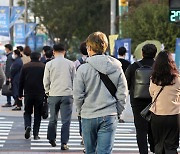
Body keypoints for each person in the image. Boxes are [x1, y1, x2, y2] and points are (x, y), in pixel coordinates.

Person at [73, 32, 128, 154]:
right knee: (105, 151)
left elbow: (77, 95)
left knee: (90, 151)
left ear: (90, 48)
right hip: (109, 114)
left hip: (88, 115)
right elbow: (123, 92)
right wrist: (117, 111)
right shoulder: (116, 67)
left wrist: (81, 111)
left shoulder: (83, 69)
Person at [125, 44, 157, 154]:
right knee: (153, 128)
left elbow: (126, 83)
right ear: (155, 54)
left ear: (142, 53)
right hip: (155, 101)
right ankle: (154, 148)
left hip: (137, 102)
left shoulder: (134, 66)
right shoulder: (158, 67)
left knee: (140, 130)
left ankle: (143, 152)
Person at [43, 43, 75, 150]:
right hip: (67, 95)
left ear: (53, 52)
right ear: (64, 52)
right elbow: (74, 80)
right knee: (66, 121)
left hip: (53, 94)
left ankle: (52, 138)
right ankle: (64, 143)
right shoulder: (71, 64)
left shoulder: (49, 64)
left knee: (53, 118)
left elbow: (46, 81)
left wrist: (48, 92)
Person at [149, 50, 180, 154]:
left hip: (157, 115)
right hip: (174, 115)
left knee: (159, 144)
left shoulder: (154, 79)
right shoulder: (177, 79)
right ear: (171, 62)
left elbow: (152, 93)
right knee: (171, 146)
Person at [18, 52, 45, 140]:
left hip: (28, 93)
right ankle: (36, 134)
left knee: (27, 112)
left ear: (30, 57)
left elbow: (21, 81)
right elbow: (47, 80)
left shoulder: (25, 66)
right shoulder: (43, 66)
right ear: (39, 57)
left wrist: (19, 94)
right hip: (40, 93)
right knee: (38, 114)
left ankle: (28, 126)